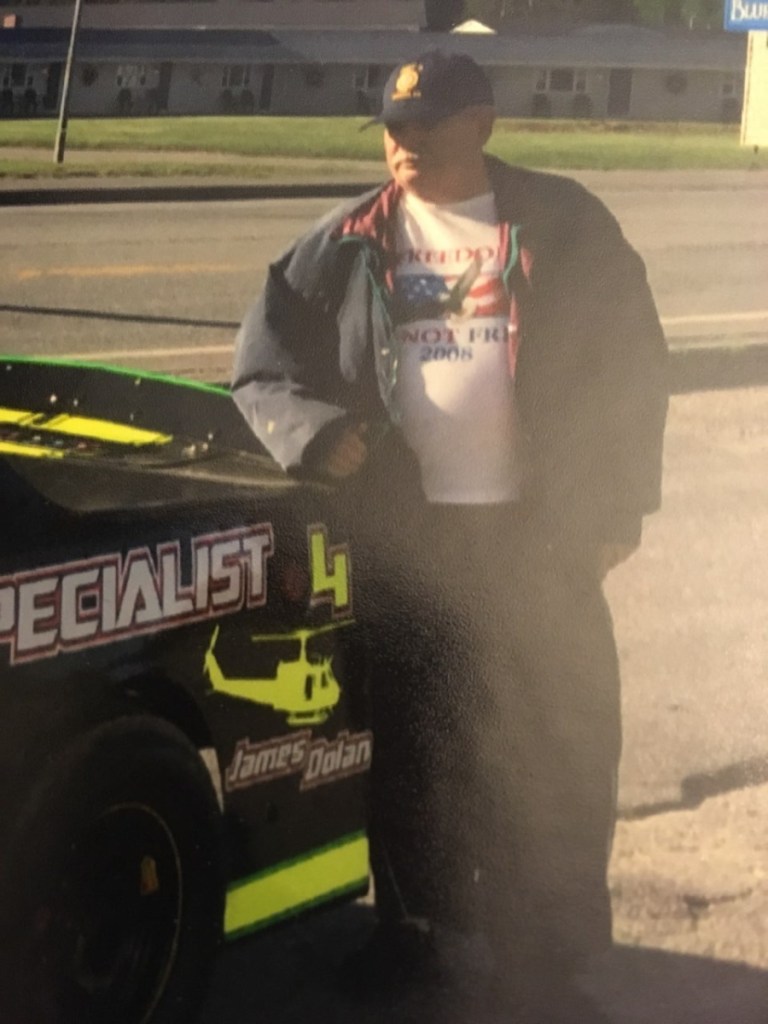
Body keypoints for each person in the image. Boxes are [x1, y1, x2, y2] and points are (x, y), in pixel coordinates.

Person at [232, 49, 668, 1023]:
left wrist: (616, 508)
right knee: (416, 753)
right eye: (392, 127)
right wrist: (314, 435)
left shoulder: (566, 224)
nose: (404, 145)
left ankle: (545, 959)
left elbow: (630, 366)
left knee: (549, 747)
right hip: (412, 544)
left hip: (538, 542)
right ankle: (418, 939)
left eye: (425, 127)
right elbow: (265, 366)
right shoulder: (347, 241)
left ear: (483, 123)